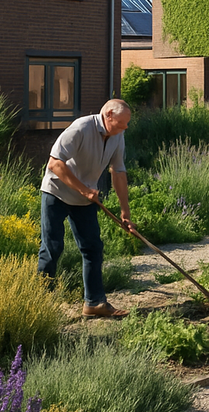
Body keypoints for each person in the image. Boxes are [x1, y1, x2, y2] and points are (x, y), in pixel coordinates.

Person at [38, 99, 136, 318]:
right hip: (56, 192)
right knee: (52, 247)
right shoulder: (81, 128)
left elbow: (118, 172)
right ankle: (39, 303)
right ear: (108, 115)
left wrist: (125, 212)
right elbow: (54, 163)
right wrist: (83, 189)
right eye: (121, 123)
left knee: (92, 249)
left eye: (127, 124)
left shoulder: (117, 136)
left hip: (85, 198)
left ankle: (94, 303)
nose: (125, 128)